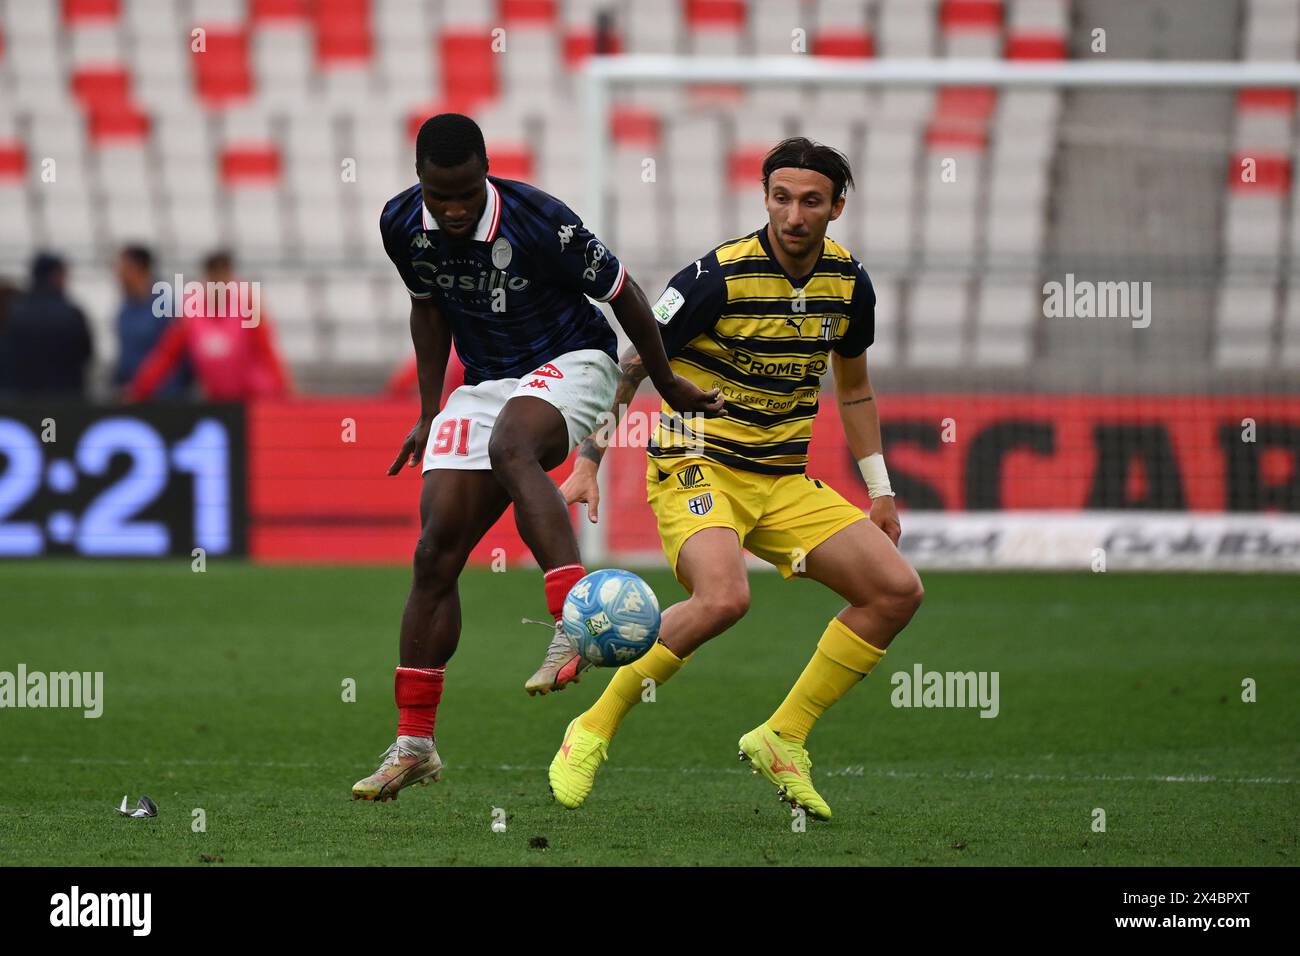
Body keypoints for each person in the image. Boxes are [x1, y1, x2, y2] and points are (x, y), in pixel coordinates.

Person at [548, 137, 924, 820]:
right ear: (766, 200)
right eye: (781, 198)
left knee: (896, 591)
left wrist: (880, 489)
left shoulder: (849, 284)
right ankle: (591, 729)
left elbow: (857, 388)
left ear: (837, 206)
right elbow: (631, 368)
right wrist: (588, 462)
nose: (794, 214)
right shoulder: (714, 278)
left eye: (811, 200)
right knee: (724, 597)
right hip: (698, 462)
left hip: (782, 479)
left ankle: (783, 736)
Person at [351, 112, 723, 802]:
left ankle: (572, 621)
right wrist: (431, 410)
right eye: (442, 196)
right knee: (435, 552)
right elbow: (428, 309)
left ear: (485, 171)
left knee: (512, 446)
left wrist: (667, 383)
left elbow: (624, 293)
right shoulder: (400, 224)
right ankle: (413, 746)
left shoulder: (541, 223)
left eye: (467, 192)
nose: (456, 209)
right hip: (485, 381)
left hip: (573, 361)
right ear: (420, 183)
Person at [127, 251, 291, 401]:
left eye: (224, 277)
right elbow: (166, 355)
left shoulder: (246, 307)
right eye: (215, 277)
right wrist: (140, 389)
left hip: (256, 399)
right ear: (208, 278)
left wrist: (285, 390)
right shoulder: (192, 314)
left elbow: (266, 351)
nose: (220, 283)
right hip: (220, 400)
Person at [1, 253, 94, 397]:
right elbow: (86, 354)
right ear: (55, 276)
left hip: (21, 403)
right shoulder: (72, 314)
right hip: (66, 402)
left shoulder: (13, 312)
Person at [112, 244, 190, 397]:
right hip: (133, 396)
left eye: (122, 267)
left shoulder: (165, 307)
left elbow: (179, 356)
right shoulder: (125, 309)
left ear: (137, 268)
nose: (118, 274)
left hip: (166, 397)